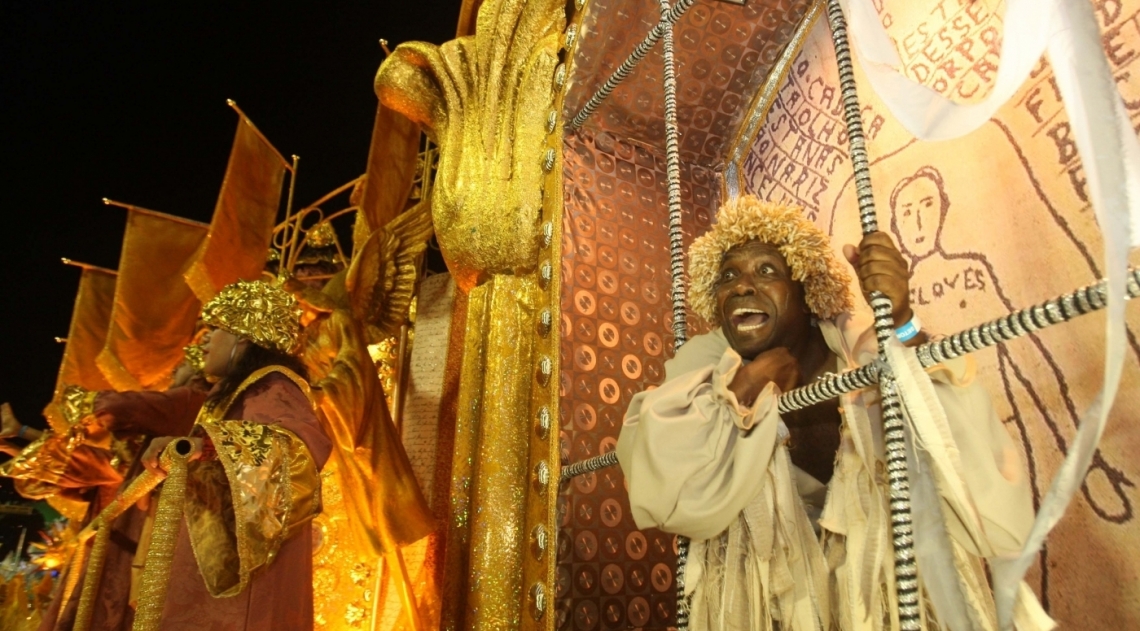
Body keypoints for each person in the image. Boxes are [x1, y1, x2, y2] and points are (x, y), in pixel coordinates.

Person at [617, 196, 1051, 630]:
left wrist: (900, 318)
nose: (741, 287)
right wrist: (741, 389)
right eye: (728, 276)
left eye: (767, 270)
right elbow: (664, 484)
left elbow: (953, 444)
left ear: (808, 292)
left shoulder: (858, 350)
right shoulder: (704, 371)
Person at [130, 279, 331, 630]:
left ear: (244, 335)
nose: (204, 339)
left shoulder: (274, 384)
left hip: (247, 587)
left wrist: (202, 446)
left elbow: (297, 446)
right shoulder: (231, 394)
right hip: (210, 566)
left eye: (214, 329)